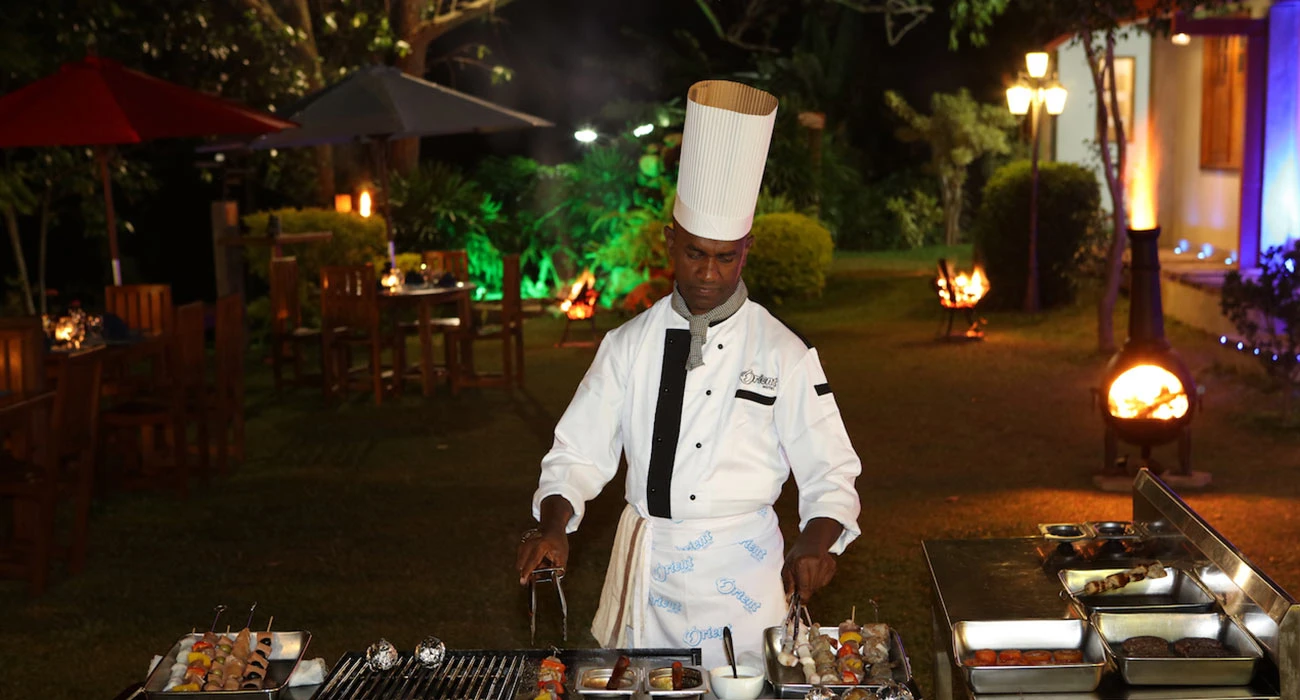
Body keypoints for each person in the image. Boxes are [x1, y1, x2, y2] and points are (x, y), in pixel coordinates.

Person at [515, 80, 862, 668]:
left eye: (725, 257)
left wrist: (816, 539)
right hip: (651, 579)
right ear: (669, 242)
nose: (708, 273)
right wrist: (554, 526)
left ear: (746, 252)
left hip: (746, 578)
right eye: (695, 253)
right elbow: (576, 454)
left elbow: (831, 471)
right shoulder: (627, 345)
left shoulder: (785, 352)